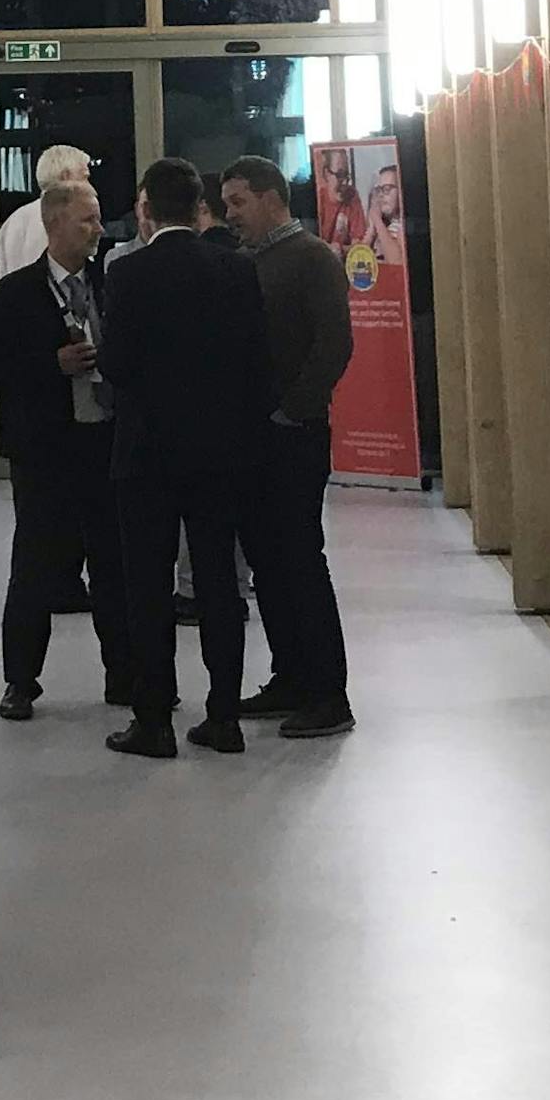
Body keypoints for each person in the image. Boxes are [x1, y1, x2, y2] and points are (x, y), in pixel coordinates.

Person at [96, 157, 277, 759]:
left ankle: (154, 722)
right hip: (220, 453)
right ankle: (222, 715)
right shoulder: (235, 269)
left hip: (146, 455)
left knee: (146, 587)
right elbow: (258, 363)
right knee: (219, 584)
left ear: (145, 209)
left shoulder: (128, 275)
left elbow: (117, 365)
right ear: (199, 206)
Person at [0, 174, 123, 722]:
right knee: (35, 567)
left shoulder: (109, 285)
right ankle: (20, 681)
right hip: (45, 451)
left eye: (98, 218)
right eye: (87, 220)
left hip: (102, 444)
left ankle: (123, 675)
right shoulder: (18, 292)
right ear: (55, 224)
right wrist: (48, 364)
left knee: (113, 565)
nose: (98, 230)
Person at [222, 155, 357, 740]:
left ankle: (329, 692)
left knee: (301, 561)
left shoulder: (311, 259)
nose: (230, 215)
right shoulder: (251, 260)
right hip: (255, 437)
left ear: (270, 197)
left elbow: (334, 347)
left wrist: (290, 410)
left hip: (293, 436)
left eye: (237, 203)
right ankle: (289, 677)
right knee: (268, 564)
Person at [0, 144, 92, 286]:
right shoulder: (63, 219)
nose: (89, 185)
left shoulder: (12, 221)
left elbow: (0, 281)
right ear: (66, 176)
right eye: (84, 177)